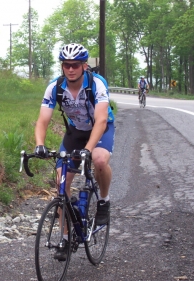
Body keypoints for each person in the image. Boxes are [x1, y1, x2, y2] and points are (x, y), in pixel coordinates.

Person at [34, 43, 115, 261]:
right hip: (76, 132)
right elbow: (42, 120)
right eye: (66, 65)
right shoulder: (55, 87)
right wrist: (40, 144)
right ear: (62, 66)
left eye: (75, 65)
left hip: (100, 129)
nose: (70, 69)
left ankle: (104, 201)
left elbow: (100, 119)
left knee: (98, 160)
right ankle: (66, 238)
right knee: (61, 184)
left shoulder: (96, 84)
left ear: (84, 66)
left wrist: (88, 150)